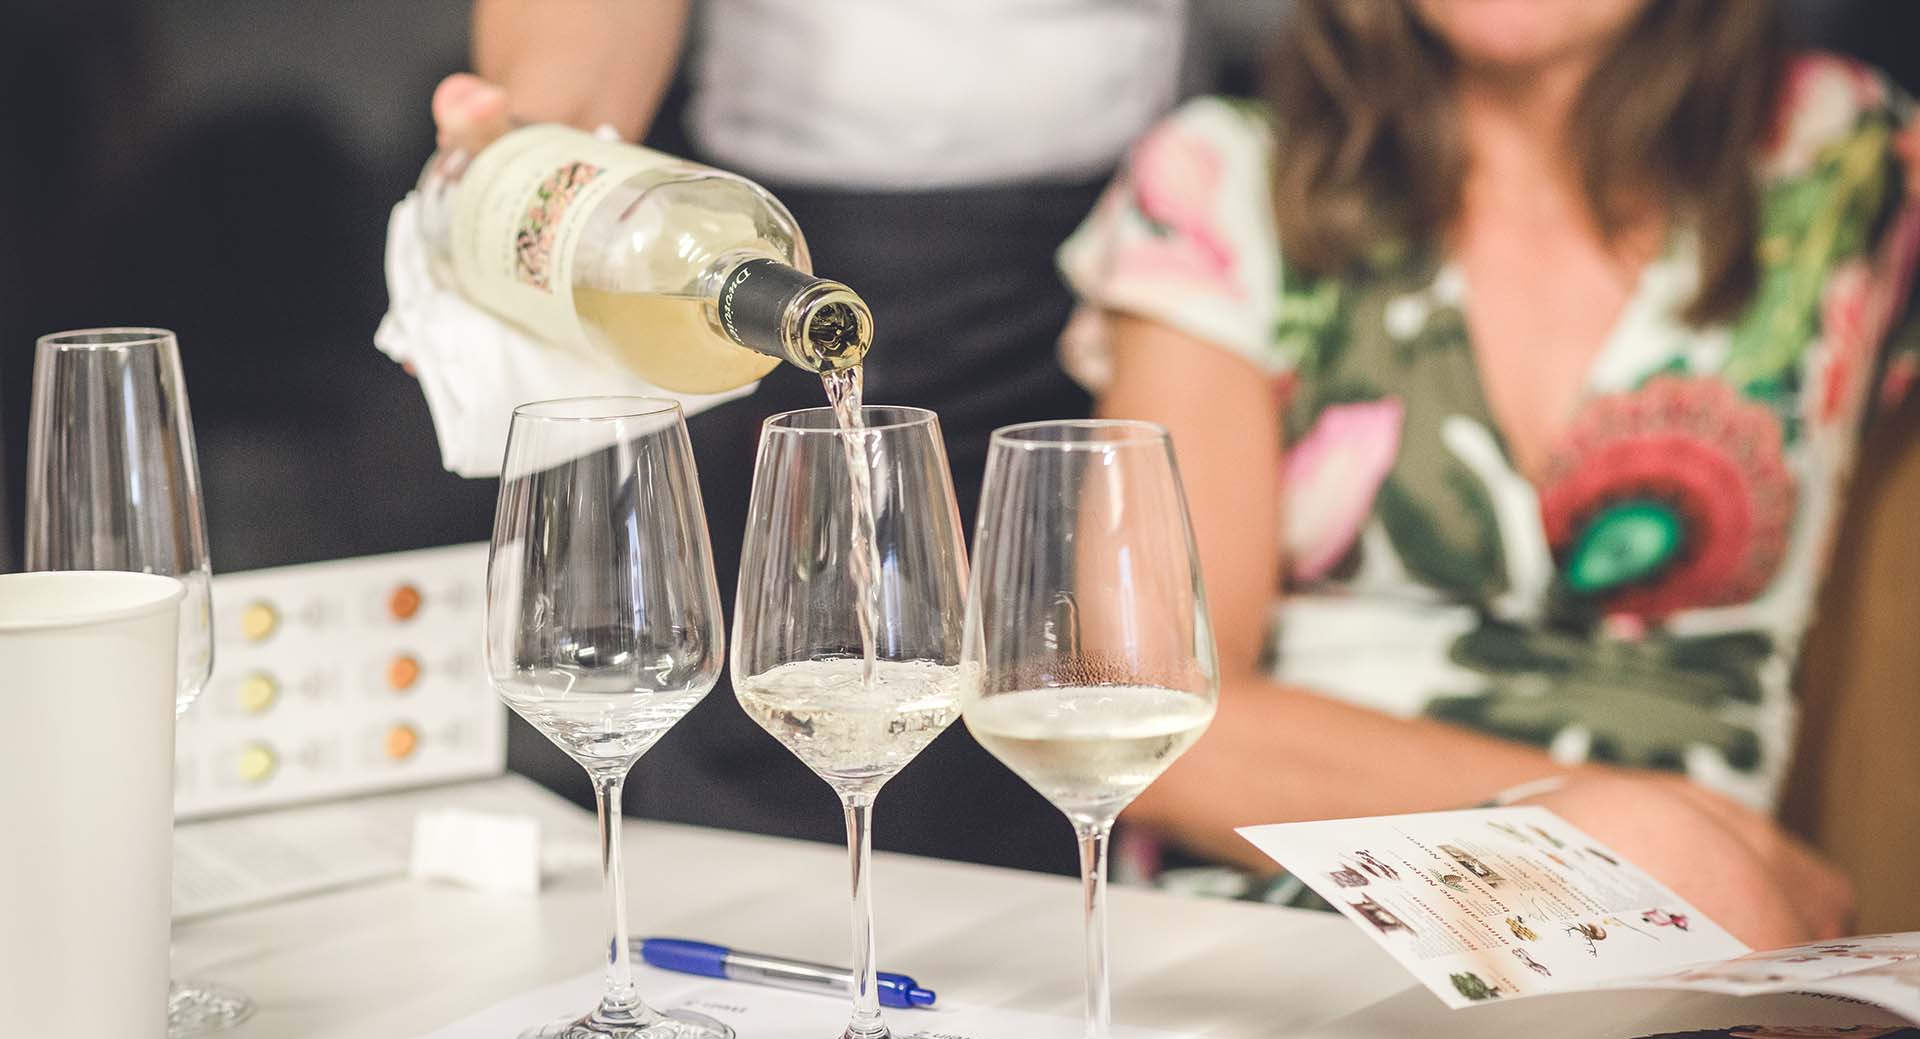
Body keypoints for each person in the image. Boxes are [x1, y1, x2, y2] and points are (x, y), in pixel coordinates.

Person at [1057, 0, 1920, 947]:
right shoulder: (1228, 178)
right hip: (1301, 896)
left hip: (1696, 950)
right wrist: (1631, 833)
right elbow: (1142, 720)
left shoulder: (1845, 157)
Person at [426, 0, 1188, 874]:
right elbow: (570, 82)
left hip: (1110, 248)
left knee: (1037, 694)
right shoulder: (702, 262)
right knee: (761, 755)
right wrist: (527, 156)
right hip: (764, 245)